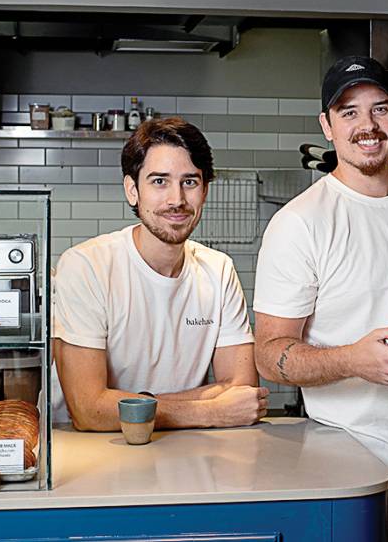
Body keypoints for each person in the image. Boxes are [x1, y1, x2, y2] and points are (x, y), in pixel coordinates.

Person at [253, 56, 388, 541]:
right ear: (327, 127)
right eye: (349, 112)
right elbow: (269, 355)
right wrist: (354, 360)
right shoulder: (301, 223)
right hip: (366, 465)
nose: (367, 126)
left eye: (380, 109)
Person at [52, 117, 268, 431]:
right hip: (92, 454)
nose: (177, 200)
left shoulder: (219, 270)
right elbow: (88, 411)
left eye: (190, 182)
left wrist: (127, 404)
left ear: (205, 190)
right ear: (132, 190)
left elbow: (242, 391)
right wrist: (210, 411)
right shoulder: (86, 267)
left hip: (183, 452)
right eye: (159, 181)